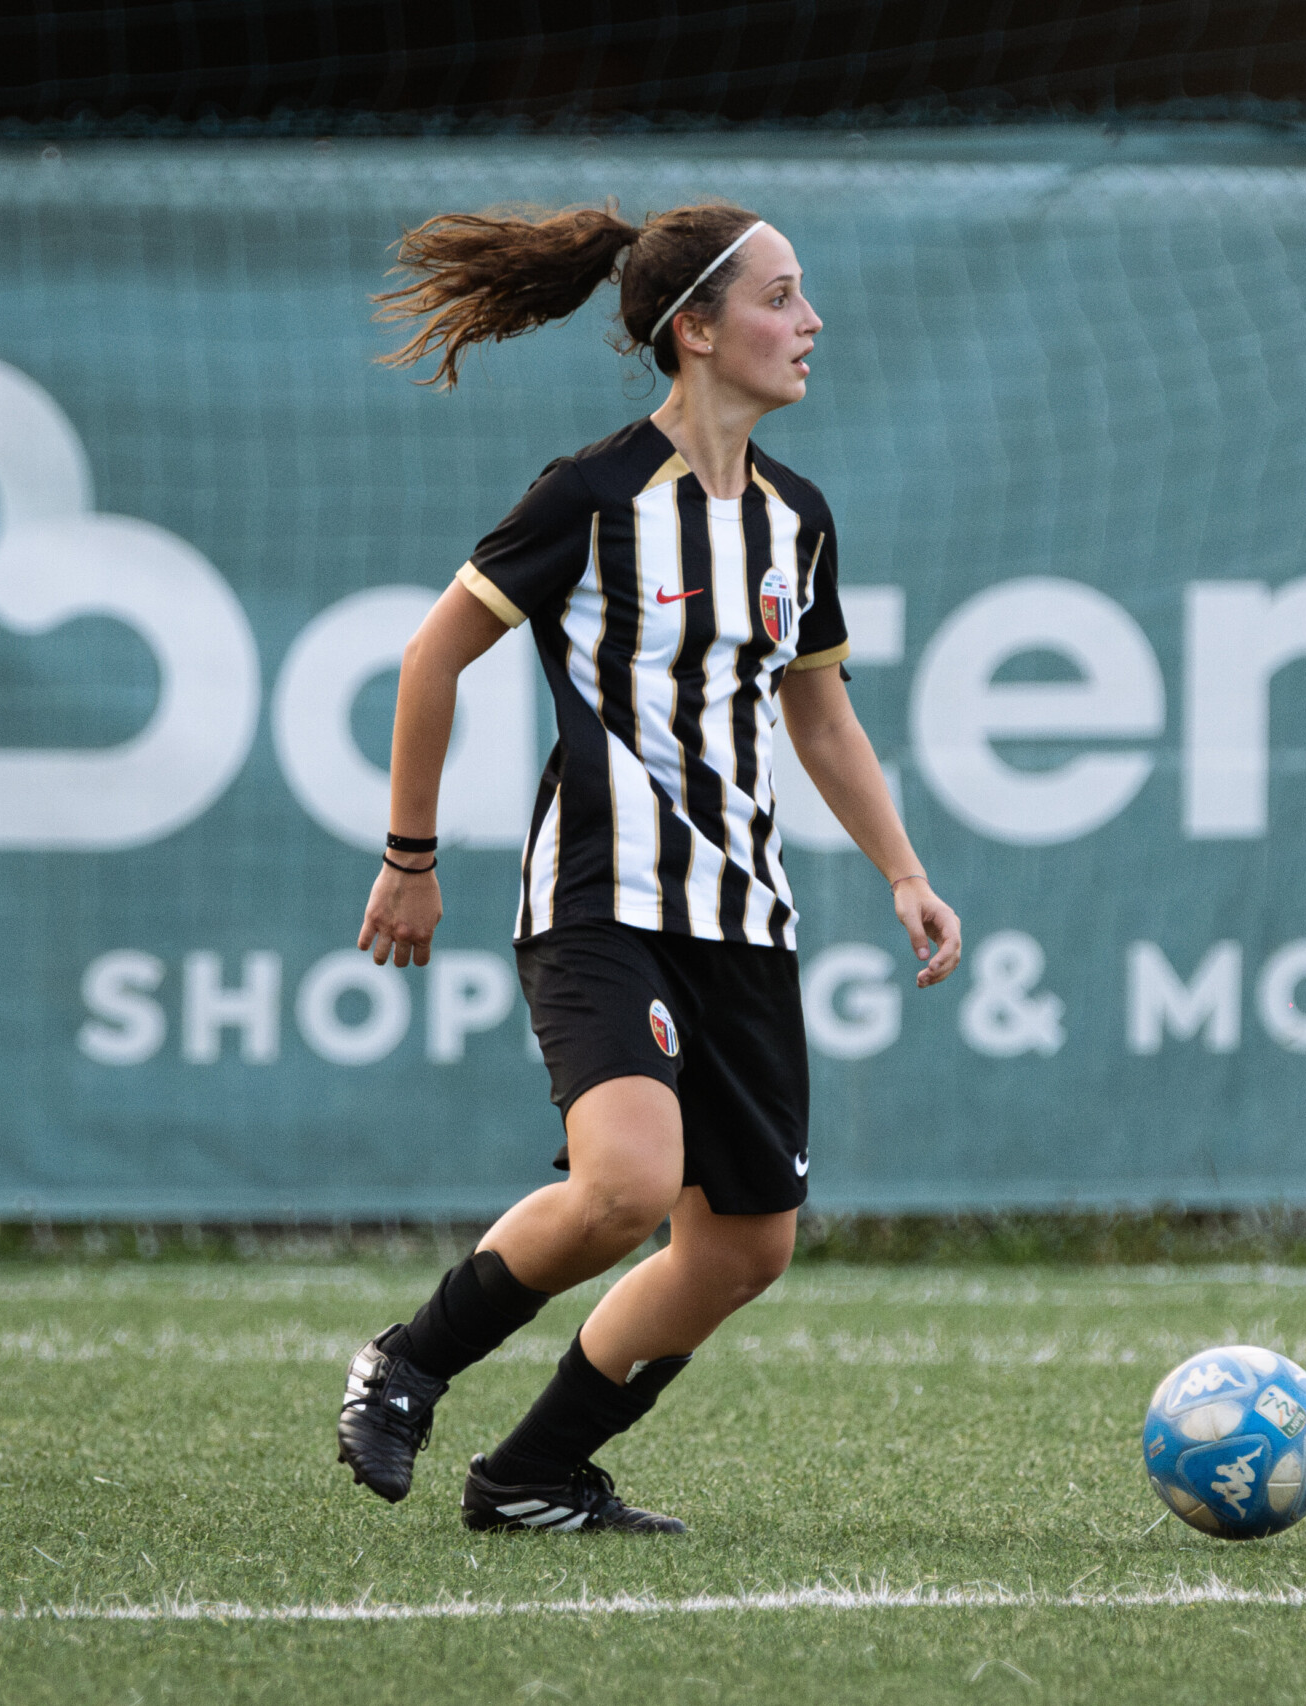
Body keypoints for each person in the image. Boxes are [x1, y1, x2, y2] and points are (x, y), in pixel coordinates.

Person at [334, 201, 962, 1536]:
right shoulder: (594, 493)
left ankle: (532, 1476)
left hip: (746, 914)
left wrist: (903, 870)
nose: (812, 322)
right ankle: (409, 1360)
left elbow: (822, 713)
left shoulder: (799, 518)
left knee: (745, 1246)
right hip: (600, 896)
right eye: (783, 297)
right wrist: (410, 854)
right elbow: (430, 657)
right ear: (696, 330)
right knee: (624, 1182)